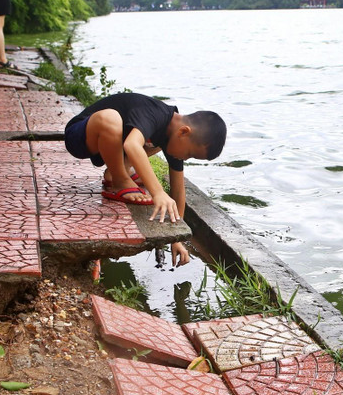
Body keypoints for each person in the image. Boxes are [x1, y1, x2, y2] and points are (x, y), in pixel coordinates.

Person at [64, 93, 226, 266]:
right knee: (111, 118)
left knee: (154, 141)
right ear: (184, 132)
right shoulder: (155, 113)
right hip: (80, 135)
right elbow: (131, 145)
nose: (185, 159)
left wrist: (176, 238)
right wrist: (158, 192)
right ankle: (120, 179)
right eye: (189, 154)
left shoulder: (173, 133)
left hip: (110, 141)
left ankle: (116, 171)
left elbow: (178, 191)